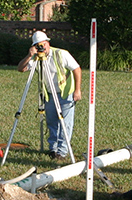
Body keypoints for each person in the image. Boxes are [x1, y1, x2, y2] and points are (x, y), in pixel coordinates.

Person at [17, 31, 82, 160]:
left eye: (44, 44)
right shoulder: (35, 58)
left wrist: (77, 90)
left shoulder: (61, 54)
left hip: (66, 92)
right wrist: (29, 56)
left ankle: (62, 152)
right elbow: (21, 69)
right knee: (52, 122)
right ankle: (53, 149)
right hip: (50, 94)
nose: (42, 48)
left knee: (65, 123)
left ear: (48, 43)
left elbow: (77, 69)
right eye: (38, 45)